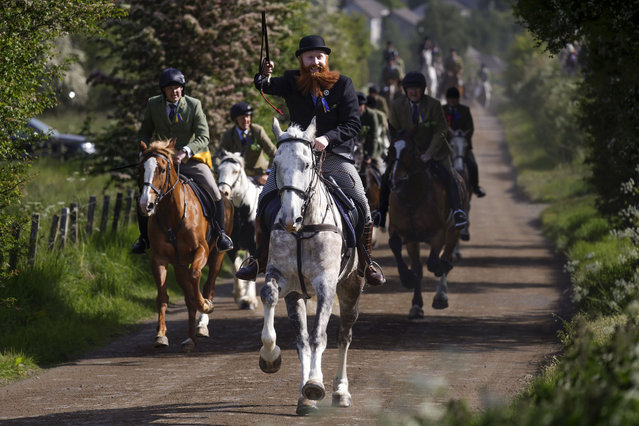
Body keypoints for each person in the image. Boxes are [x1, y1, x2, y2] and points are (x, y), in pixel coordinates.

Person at [235, 34, 385, 287]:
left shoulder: (343, 84)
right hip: (296, 158)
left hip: (334, 156)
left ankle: (366, 260)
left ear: (326, 59)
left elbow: (352, 124)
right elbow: (264, 86)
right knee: (265, 198)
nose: (315, 61)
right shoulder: (292, 82)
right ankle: (259, 257)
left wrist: (328, 138)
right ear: (301, 60)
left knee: (361, 201)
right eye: (309, 57)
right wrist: (263, 74)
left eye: (319, 56)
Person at [132, 67, 233, 254]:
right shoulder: (153, 104)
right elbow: (144, 132)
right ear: (163, 90)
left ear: (182, 88)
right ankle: (144, 238)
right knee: (144, 192)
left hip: (191, 160)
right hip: (163, 161)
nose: (175, 91)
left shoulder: (194, 105)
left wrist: (185, 151)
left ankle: (220, 235)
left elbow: (203, 137)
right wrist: (145, 151)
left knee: (214, 190)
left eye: (178, 88)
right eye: (170, 88)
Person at [377, 71, 468, 230]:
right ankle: (381, 212)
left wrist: (429, 153)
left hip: (434, 150)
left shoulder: (434, 104)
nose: (413, 91)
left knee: (449, 176)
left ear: (423, 89)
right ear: (405, 90)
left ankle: (457, 211)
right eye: (410, 88)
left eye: (417, 88)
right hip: (407, 151)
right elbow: (394, 130)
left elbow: (441, 131)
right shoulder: (397, 105)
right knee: (387, 176)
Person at [216, 102, 276, 186]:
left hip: (259, 177)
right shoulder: (228, 134)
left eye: (248, 117)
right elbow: (218, 156)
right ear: (235, 119)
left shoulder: (258, 131)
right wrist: (221, 171)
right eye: (242, 118)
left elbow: (274, 153)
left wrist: (268, 174)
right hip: (237, 177)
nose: (246, 120)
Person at [443, 86, 486, 198]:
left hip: (462, 144)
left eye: (455, 98)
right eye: (450, 98)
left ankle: (475, 187)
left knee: (472, 163)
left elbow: (471, 128)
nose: (452, 101)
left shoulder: (465, 110)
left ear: (458, 99)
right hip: (446, 145)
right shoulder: (442, 110)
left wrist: (463, 135)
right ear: (447, 99)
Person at [356, 91, 387, 180]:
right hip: (355, 150)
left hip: (372, 149)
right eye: (355, 105)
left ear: (364, 105)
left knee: (381, 171)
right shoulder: (350, 113)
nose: (357, 108)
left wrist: (369, 155)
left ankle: (383, 187)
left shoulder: (371, 115)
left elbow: (374, 137)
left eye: (360, 105)